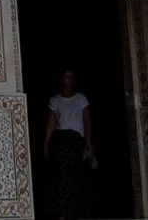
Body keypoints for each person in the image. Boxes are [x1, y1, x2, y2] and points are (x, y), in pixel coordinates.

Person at [42, 69, 93, 220]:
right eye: (66, 77)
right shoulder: (55, 100)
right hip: (61, 142)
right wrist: (46, 145)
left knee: (77, 178)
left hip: (76, 141)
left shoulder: (81, 99)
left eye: (71, 77)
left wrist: (88, 141)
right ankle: (63, 214)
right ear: (61, 79)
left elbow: (87, 121)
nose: (68, 80)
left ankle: (78, 213)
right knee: (62, 178)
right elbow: (50, 125)